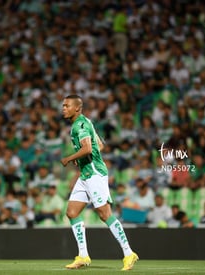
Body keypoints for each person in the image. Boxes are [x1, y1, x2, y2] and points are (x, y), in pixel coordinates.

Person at [60, 95, 138, 270]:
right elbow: (99, 146)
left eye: (67, 106)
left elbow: (88, 148)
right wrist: (80, 158)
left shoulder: (79, 125)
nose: (63, 108)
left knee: (104, 214)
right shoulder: (85, 122)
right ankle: (83, 255)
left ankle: (128, 253)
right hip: (86, 174)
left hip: (95, 174)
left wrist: (69, 158)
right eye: (63, 106)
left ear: (77, 108)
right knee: (72, 212)